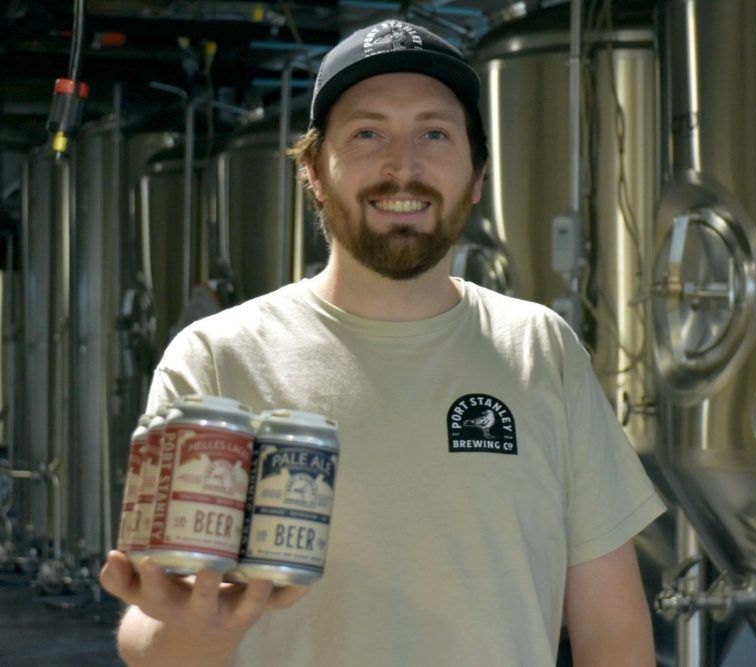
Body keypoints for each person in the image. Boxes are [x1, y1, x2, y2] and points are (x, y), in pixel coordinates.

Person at [101, 18, 665, 666]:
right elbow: (153, 632)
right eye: (368, 133)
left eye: (435, 133)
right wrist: (199, 628)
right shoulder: (218, 359)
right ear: (313, 168)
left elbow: (612, 630)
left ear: (478, 174)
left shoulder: (540, 349)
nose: (403, 165)